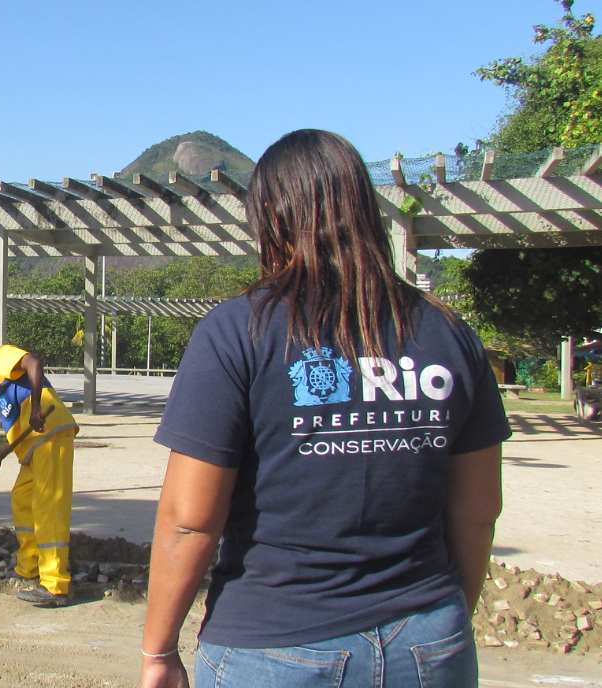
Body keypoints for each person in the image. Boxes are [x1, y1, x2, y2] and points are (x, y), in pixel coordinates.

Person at [140, 130, 510, 688]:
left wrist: (158, 651)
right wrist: (444, 619)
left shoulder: (238, 332)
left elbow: (191, 521)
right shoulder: (449, 333)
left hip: (277, 643)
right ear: (364, 207)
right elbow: (480, 510)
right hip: (430, 635)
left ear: (270, 217)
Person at [0, 338, 80, 607]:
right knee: (23, 498)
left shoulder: (1, 358)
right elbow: (20, 424)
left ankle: (55, 585)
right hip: (34, 448)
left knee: (48, 506)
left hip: (50, 435)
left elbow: (34, 362)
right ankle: (30, 567)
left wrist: (37, 405)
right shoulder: (1, 383)